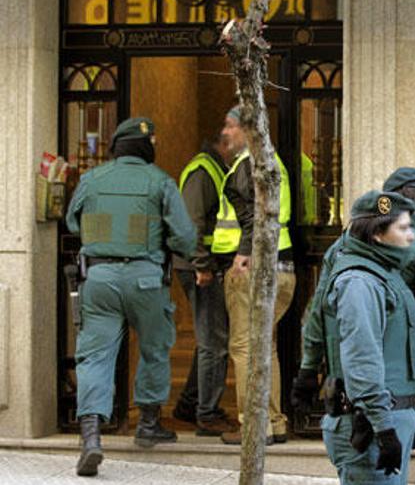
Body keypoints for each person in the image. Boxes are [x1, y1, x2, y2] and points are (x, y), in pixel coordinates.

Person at [293, 167, 415, 460]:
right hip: (384, 402)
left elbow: (318, 314)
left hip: (346, 398)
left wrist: (307, 369)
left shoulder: (342, 248)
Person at [65, 117, 196, 476]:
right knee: (154, 348)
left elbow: (72, 222)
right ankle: (148, 424)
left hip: (100, 278)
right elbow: (184, 238)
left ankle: (91, 436)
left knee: (94, 355)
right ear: (143, 146)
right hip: (146, 279)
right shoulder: (160, 181)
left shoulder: (92, 179)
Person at [317, 190, 415, 484]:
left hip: (385, 418)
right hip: (369, 428)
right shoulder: (360, 282)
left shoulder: (384, 275)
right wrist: (386, 428)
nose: (411, 236)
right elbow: (362, 360)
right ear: (377, 234)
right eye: (403, 228)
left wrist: (408, 414)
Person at [211, 106, 296, 444]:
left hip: (254, 268)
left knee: (245, 347)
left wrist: (242, 255)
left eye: (230, 126)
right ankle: (272, 422)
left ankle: (253, 427)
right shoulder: (274, 164)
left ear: (248, 130)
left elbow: (254, 216)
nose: (225, 132)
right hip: (283, 265)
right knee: (265, 348)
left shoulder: (249, 165)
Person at [171, 134, 237, 436]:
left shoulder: (216, 169)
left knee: (209, 338)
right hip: (200, 266)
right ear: (222, 144)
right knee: (215, 342)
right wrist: (201, 264)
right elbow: (191, 222)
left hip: (204, 264)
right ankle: (207, 414)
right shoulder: (203, 172)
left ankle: (190, 402)